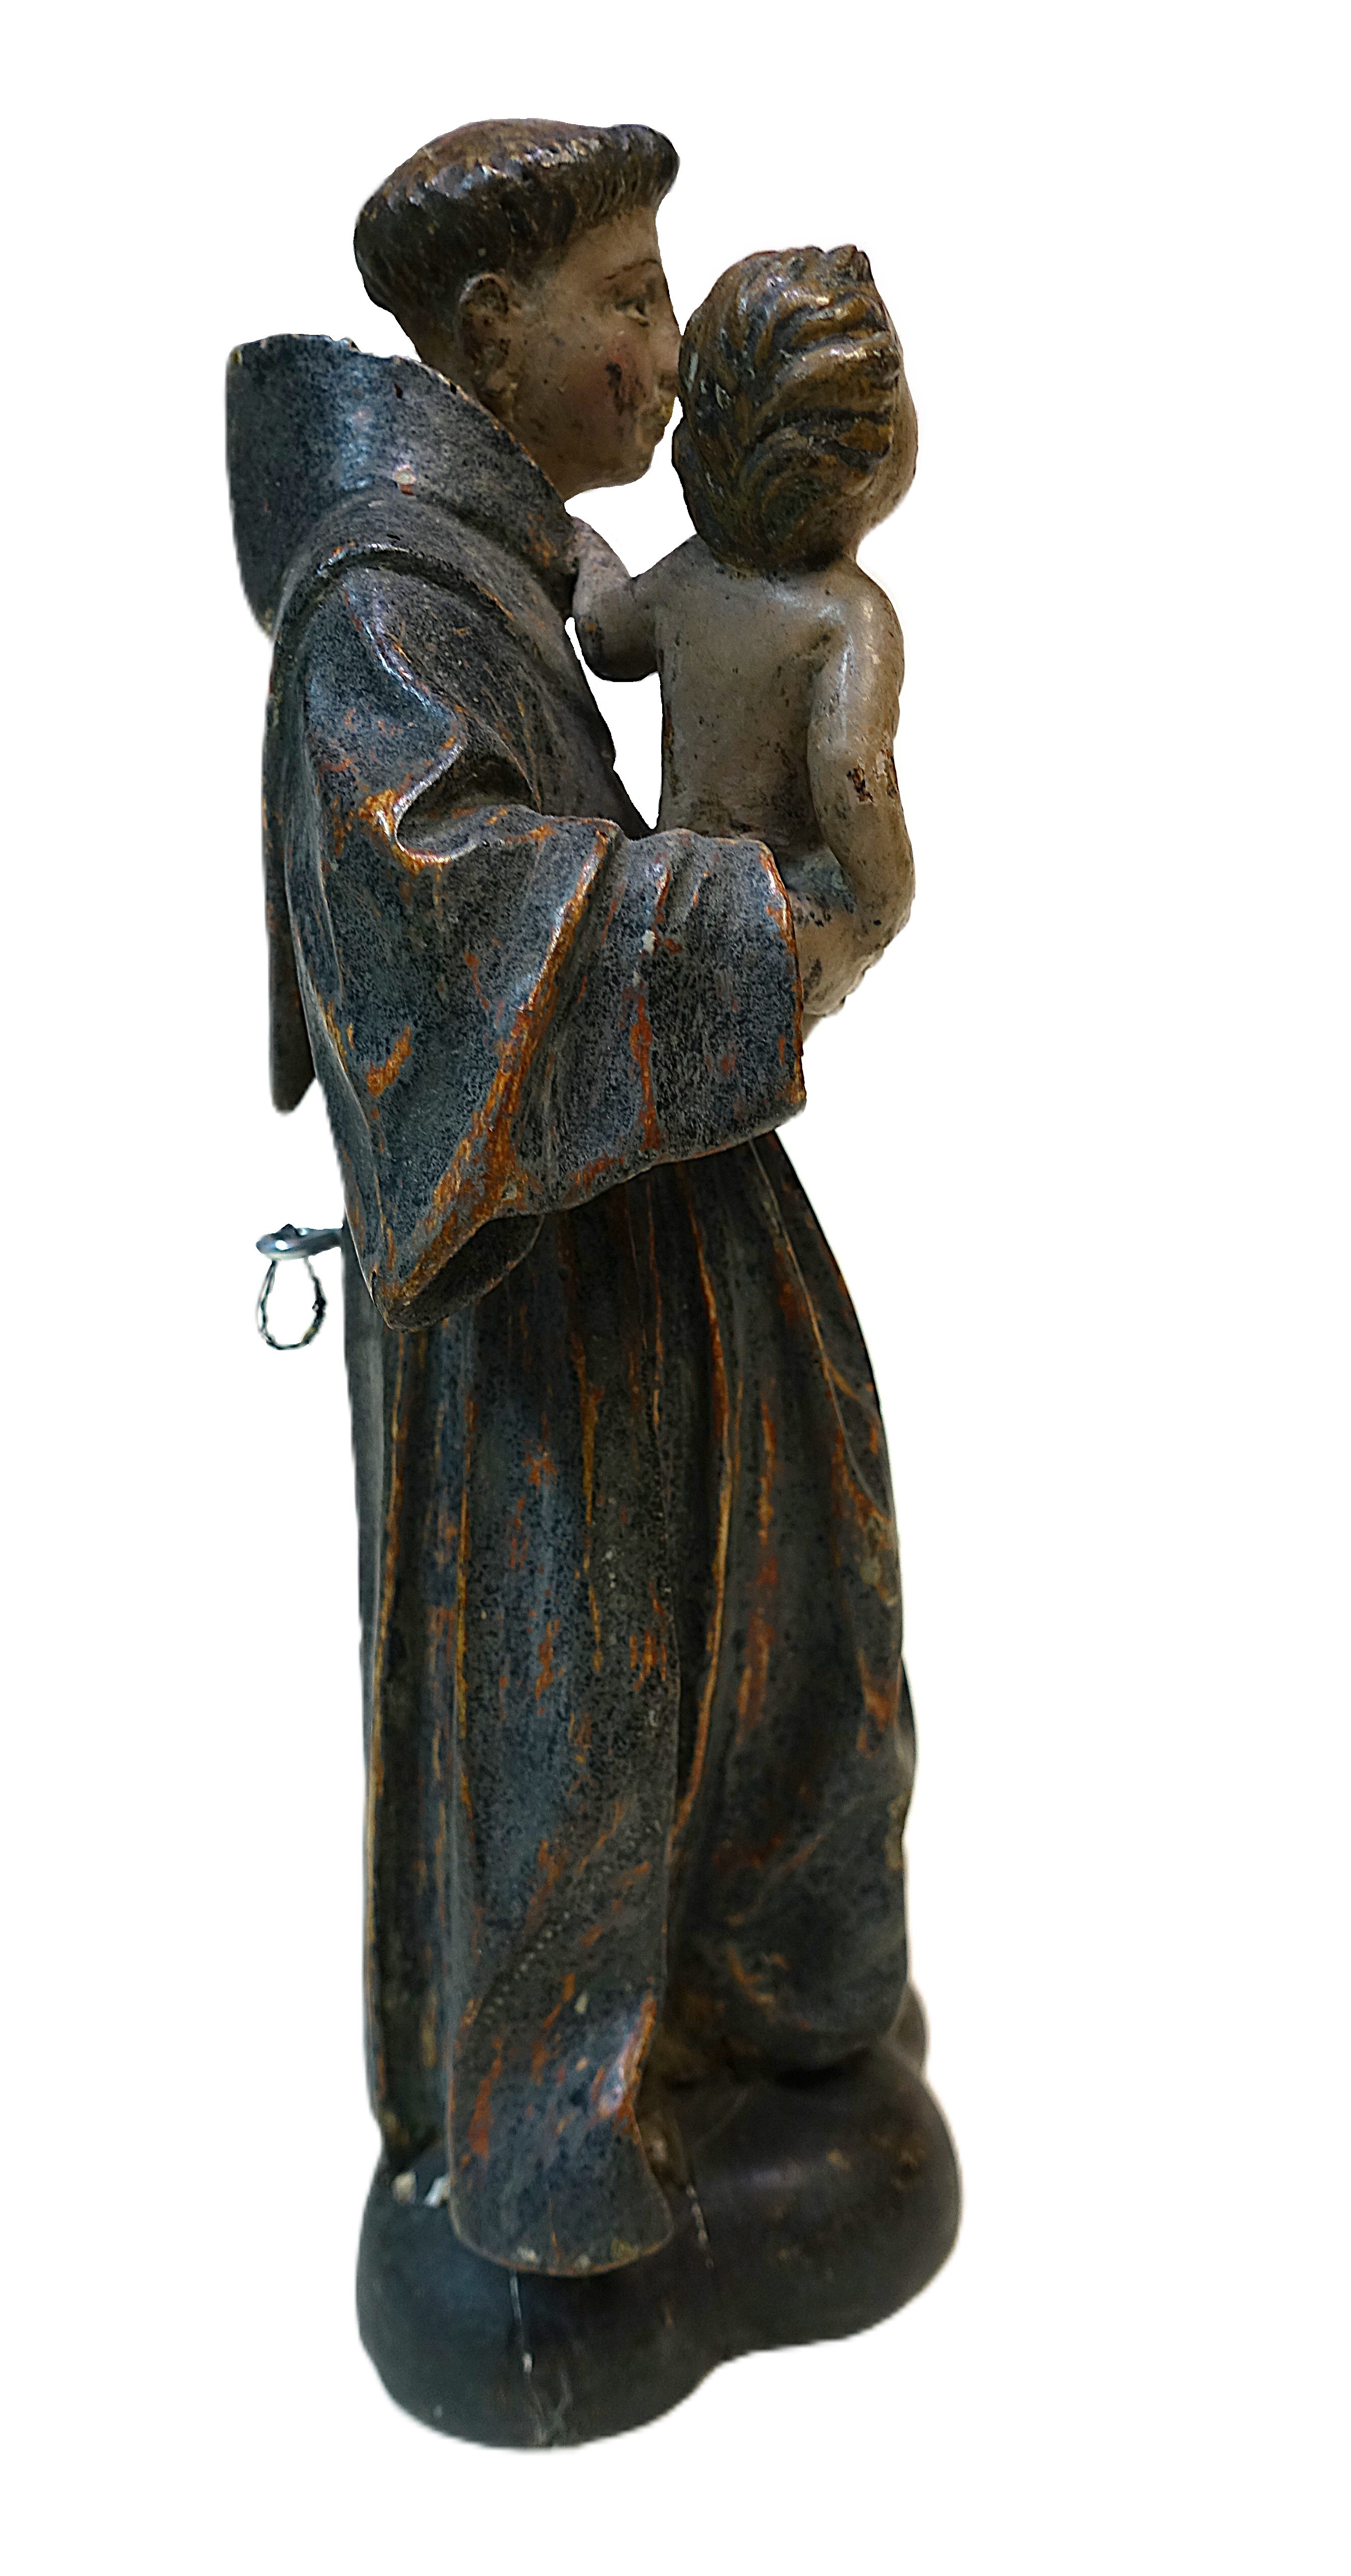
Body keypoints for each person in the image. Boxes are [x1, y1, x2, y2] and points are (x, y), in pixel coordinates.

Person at [227, 118, 957, 2445]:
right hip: (538, 1321)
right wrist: (773, 920)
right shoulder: (385, 608)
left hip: (652, 1225)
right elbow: (456, 914)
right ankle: (549, 2147)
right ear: (483, 335)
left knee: (783, 1629)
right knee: (573, 1708)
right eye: (624, 302)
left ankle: (770, 2008)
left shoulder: (508, 563)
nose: (664, 348)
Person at [574, 243, 917, 1023]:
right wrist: (882, 904)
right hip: (773, 918)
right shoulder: (849, 617)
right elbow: (851, 767)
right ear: (867, 453)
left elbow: (603, 636)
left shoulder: (687, 576)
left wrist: (582, 551)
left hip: (670, 896)